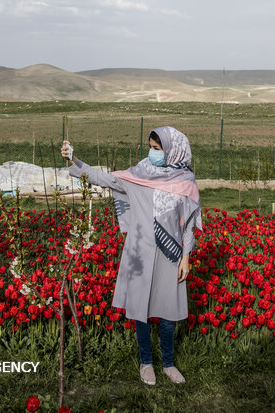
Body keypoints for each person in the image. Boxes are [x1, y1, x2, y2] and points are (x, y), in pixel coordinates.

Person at [61, 126, 201, 386]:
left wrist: (185, 257)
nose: (152, 153)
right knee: (141, 311)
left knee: (168, 313)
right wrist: (75, 160)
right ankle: (146, 362)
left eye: (157, 149)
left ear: (173, 151)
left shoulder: (185, 180)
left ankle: (168, 364)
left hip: (170, 255)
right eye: (150, 147)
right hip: (140, 252)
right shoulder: (140, 174)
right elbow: (104, 179)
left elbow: (188, 223)